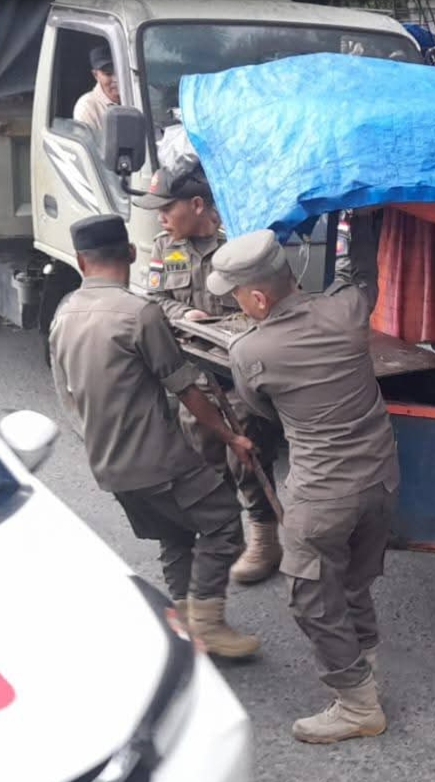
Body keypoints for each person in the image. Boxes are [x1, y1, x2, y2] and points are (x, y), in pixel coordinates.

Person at [211, 230, 400, 744]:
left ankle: (358, 704)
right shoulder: (347, 311)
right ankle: (368, 669)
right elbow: (361, 270)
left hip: (324, 494)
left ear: (257, 298)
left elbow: (261, 410)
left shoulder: (251, 351)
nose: (235, 304)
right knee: (354, 581)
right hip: (381, 477)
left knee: (311, 595)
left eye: (235, 295)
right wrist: (365, 218)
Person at [49, 215, 261, 658]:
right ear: (130, 254)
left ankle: (183, 626)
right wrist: (230, 438)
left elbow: (66, 394)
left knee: (176, 533)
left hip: (107, 463)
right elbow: (185, 389)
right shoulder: (139, 314)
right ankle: (207, 625)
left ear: (80, 261)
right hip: (158, 460)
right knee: (223, 523)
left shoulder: (64, 314)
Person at [134, 165, 284, 585]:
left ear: (197, 204)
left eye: (168, 208)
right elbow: (157, 301)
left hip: (240, 376)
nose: (161, 217)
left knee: (249, 457)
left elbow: (269, 304)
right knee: (202, 459)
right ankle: (222, 533)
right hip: (194, 378)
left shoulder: (239, 245)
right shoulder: (166, 246)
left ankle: (264, 538)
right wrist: (186, 315)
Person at [73, 45, 119, 134]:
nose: (116, 79)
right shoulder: (87, 106)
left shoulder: (140, 95)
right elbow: (90, 146)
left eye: (119, 72)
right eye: (108, 74)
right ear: (96, 75)